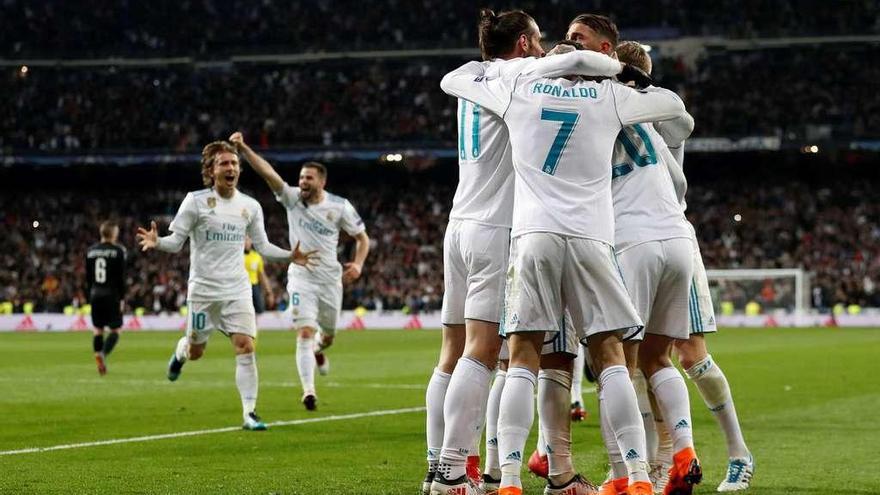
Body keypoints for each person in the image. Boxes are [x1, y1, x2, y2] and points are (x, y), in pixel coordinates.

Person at [441, 23, 692, 495]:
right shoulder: (609, 98)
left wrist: (541, 65)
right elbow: (676, 110)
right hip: (592, 239)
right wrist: (623, 72)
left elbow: (452, 81)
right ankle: (637, 477)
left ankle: (510, 479)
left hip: (533, 237)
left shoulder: (518, 89)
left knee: (521, 360)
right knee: (612, 356)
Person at [429, 10, 626, 495]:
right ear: (522, 43)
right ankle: (454, 472)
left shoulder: (474, 76)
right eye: (538, 40)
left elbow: (450, 77)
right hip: (498, 227)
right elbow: (595, 69)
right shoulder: (523, 73)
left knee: (451, 354)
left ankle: (441, 468)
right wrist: (618, 64)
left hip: (458, 223)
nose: (545, 48)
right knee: (486, 351)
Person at [136, 140, 315, 431]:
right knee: (196, 351)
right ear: (210, 170)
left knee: (246, 347)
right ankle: (180, 354)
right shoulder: (194, 202)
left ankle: (250, 412)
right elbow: (176, 242)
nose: (231, 167)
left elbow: (263, 246)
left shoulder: (250, 206)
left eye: (234, 163)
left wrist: (290, 256)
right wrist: (157, 243)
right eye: (224, 163)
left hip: (237, 289)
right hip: (203, 291)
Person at [607, 40, 702, 495]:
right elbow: (680, 178)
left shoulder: (598, 110)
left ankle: (628, 475)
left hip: (632, 240)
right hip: (677, 233)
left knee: (617, 364)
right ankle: (684, 451)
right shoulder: (651, 118)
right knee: (659, 358)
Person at [658, 72, 755, 493]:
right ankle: (665, 461)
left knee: (691, 355)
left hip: (670, 236)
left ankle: (739, 454)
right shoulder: (600, 115)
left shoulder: (660, 113)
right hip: (622, 242)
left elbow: (685, 120)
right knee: (640, 363)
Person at [229, 132, 370, 412]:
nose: (302, 182)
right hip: (301, 276)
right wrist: (243, 148)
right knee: (304, 332)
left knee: (327, 336)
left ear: (322, 181)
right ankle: (309, 391)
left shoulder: (339, 206)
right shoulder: (292, 198)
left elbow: (362, 238)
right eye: (301, 177)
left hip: (330, 279)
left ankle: (319, 351)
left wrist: (358, 264)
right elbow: (269, 173)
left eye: (308, 178)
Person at [85, 220, 126, 376]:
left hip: (95, 294)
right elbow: (121, 278)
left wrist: (90, 294)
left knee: (97, 330)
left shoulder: (90, 251)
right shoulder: (119, 251)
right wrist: (122, 299)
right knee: (116, 330)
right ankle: (103, 353)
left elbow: (88, 278)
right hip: (112, 295)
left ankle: (97, 356)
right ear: (114, 234)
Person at [245, 236, 274, 314]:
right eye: (244, 240)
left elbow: (262, 275)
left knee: (260, 309)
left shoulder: (256, 256)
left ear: (251, 241)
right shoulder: (237, 256)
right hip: (241, 287)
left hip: (254, 286)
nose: (246, 242)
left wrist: (269, 293)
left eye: (247, 240)